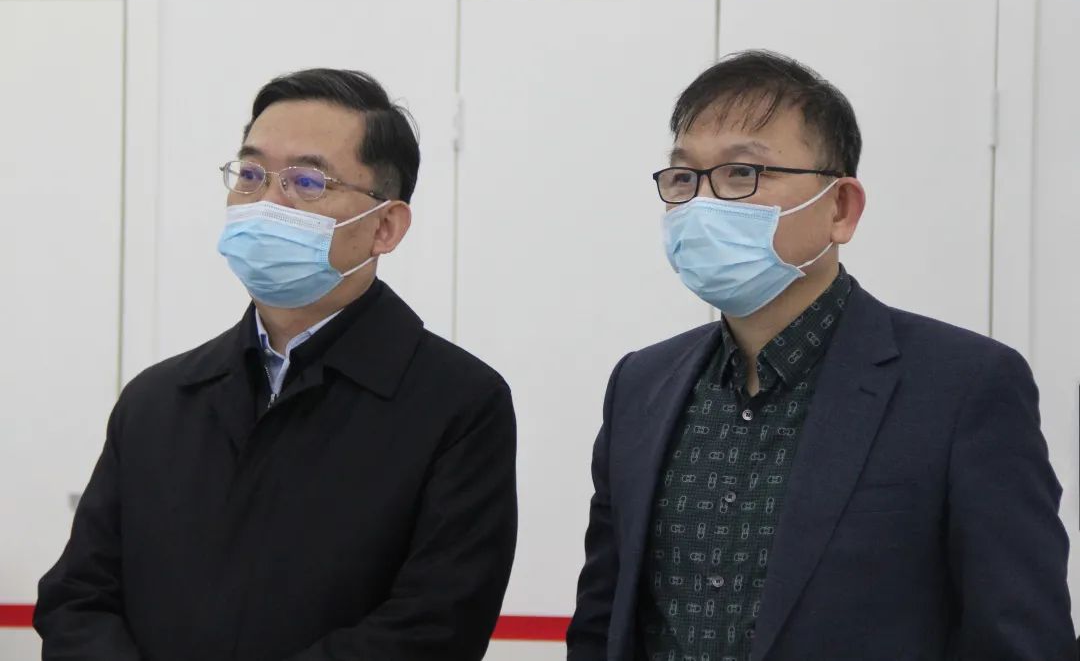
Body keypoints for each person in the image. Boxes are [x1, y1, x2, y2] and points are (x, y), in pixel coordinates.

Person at [566, 50, 1073, 660]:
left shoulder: (964, 387)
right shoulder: (639, 385)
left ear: (840, 208)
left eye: (742, 173)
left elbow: (1021, 637)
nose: (702, 204)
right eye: (683, 178)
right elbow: (601, 623)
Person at [35, 68, 518, 661]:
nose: (266, 203)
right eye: (251, 175)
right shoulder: (159, 400)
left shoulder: (457, 403)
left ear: (385, 226)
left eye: (307, 182)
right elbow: (78, 599)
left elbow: (435, 627)